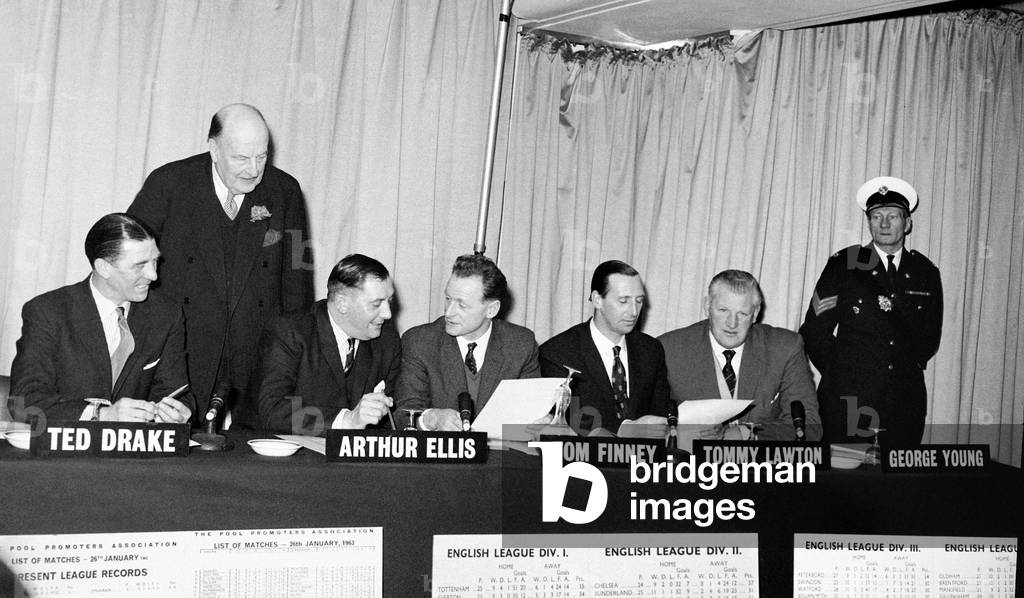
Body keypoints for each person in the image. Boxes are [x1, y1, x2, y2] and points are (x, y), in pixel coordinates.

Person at [127, 103, 313, 428]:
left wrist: (293, 357)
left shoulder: (285, 192)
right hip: (182, 349)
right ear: (213, 148)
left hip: (256, 350)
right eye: (241, 158)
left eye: (262, 156)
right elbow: (131, 261)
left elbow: (296, 279)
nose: (253, 170)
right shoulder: (168, 184)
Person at [9, 213, 194, 424]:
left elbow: (179, 393)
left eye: (155, 261)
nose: (153, 275)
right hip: (65, 453)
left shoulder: (166, 315)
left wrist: (179, 413)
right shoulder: (48, 312)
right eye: (139, 265)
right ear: (103, 267)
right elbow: (22, 403)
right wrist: (100, 414)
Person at [800, 176, 942, 445]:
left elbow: (929, 339)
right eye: (877, 216)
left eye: (893, 216)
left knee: (897, 483)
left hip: (903, 399)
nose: (885, 224)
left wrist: (898, 370)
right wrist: (843, 373)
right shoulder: (846, 263)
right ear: (868, 223)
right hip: (848, 399)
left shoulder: (925, 272)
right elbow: (814, 330)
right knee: (843, 480)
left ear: (908, 223)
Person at [658, 270, 822, 441]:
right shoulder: (668, 349)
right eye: (723, 310)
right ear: (707, 306)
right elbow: (645, 427)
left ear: (755, 313)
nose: (732, 323)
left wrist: (743, 433)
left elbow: (810, 427)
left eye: (742, 314)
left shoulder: (785, 348)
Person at [256, 255, 400, 435]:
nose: (387, 314)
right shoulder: (289, 332)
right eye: (376, 304)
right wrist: (346, 420)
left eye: (389, 301)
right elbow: (274, 411)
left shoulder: (388, 341)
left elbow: (392, 420)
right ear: (342, 303)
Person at [394, 254, 541, 430]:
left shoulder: (520, 344)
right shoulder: (420, 342)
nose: (449, 312)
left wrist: (539, 421)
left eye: (462, 305)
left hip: (500, 454)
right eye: (448, 299)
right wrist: (430, 419)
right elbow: (403, 415)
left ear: (491, 309)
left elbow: (529, 414)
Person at [539, 260, 672, 435]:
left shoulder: (651, 349)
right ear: (597, 300)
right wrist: (623, 430)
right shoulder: (559, 352)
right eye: (623, 301)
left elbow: (660, 409)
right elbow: (567, 418)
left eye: (639, 301)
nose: (633, 311)